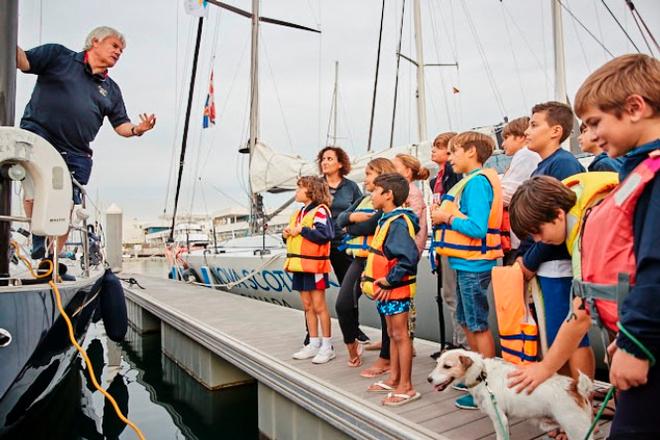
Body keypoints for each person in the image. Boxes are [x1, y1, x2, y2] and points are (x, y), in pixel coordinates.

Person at [509, 54, 660, 439]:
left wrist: (635, 343)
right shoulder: (633, 173)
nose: (589, 135)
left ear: (635, 107)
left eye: (594, 123)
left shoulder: (652, 179)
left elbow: (655, 267)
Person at [16, 26, 156, 258]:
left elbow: (121, 125)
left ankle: (51, 261)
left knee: (66, 204)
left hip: (76, 152)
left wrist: (138, 129)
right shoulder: (59, 56)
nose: (118, 52)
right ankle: (37, 238)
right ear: (95, 42)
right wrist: (7, 35)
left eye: (121, 50)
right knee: (34, 188)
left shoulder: (111, 90)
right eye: (114, 46)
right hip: (41, 133)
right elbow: (24, 62)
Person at [517, 101, 595, 384]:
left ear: (556, 131)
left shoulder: (562, 164)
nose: (527, 131)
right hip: (547, 265)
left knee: (571, 334)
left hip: (560, 265)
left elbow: (555, 221)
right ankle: (568, 397)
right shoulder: (545, 166)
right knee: (554, 332)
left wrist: (528, 260)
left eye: (534, 124)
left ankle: (579, 398)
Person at [430, 131, 503, 410]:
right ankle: (474, 377)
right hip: (465, 262)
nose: (450, 159)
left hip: (474, 264)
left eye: (454, 152)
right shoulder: (469, 182)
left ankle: (486, 386)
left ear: (471, 151)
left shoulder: (476, 184)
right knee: (465, 318)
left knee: (476, 323)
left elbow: (477, 228)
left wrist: (445, 217)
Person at [362, 173, 420, 406]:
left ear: (388, 195)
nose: (371, 195)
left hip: (396, 290)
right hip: (388, 290)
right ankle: (394, 377)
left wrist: (389, 280)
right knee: (392, 334)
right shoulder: (386, 220)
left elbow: (408, 257)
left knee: (400, 335)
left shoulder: (397, 223)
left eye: (375, 191)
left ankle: (406, 385)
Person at [335, 158, 396, 368]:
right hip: (360, 259)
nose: (365, 178)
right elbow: (340, 219)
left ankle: (386, 358)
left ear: (381, 175)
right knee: (343, 304)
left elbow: (371, 225)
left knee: (384, 310)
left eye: (369, 174)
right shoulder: (363, 199)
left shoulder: (389, 200)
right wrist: (353, 217)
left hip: (380, 259)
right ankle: (352, 343)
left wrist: (351, 224)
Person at [316, 146, 370, 345]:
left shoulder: (351, 187)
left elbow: (360, 209)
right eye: (323, 159)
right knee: (314, 291)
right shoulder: (317, 185)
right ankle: (311, 334)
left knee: (352, 288)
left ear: (340, 163)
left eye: (330, 158)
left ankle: (354, 329)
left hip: (342, 243)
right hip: (319, 243)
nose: (325, 162)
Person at [284, 176, 336, 364]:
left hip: (315, 266)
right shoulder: (299, 213)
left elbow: (326, 234)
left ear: (311, 190)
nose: (296, 192)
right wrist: (287, 234)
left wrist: (301, 231)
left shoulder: (321, 211)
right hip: (300, 265)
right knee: (307, 306)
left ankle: (327, 346)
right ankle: (313, 343)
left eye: (299, 188)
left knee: (319, 306)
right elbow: (296, 237)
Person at [429, 132, 466, 351]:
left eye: (439, 147)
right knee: (449, 295)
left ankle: (461, 344)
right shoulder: (437, 179)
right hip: (443, 242)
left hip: (453, 241)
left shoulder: (454, 176)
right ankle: (455, 340)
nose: (433, 150)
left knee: (453, 295)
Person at [393, 153, 429, 347]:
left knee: (406, 296)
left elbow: (411, 221)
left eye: (395, 167)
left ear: (407, 172)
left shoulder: (411, 192)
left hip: (408, 250)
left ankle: (407, 340)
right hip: (403, 248)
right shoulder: (404, 190)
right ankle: (397, 338)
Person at [499, 117, 541, 265]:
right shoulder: (529, 156)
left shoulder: (525, 155)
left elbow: (509, 194)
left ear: (521, 137)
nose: (503, 143)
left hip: (520, 239)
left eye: (506, 137)